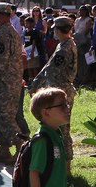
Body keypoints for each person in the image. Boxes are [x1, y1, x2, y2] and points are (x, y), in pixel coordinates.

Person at [30, 16, 77, 172]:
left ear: (58, 30)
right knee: (60, 127)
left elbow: (51, 70)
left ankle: (66, 166)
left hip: (61, 91)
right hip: (60, 90)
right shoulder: (65, 44)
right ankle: (62, 165)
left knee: (63, 128)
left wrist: (36, 85)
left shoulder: (65, 47)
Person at [0, 3, 24, 164]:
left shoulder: (3, 34)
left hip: (4, 81)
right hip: (9, 81)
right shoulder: (8, 32)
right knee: (0, 114)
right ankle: (4, 149)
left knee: (4, 116)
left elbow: (0, 62)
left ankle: (20, 148)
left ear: (2, 15)